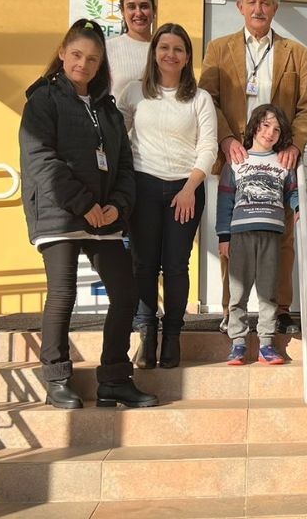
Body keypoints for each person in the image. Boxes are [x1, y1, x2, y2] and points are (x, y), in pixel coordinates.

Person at [18, 19, 158, 409]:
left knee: (125, 294)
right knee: (62, 295)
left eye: (93, 59)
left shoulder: (107, 109)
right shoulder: (43, 100)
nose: (83, 64)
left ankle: (114, 379)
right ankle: (57, 378)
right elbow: (41, 160)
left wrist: (117, 205)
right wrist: (84, 205)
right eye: (77, 55)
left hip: (104, 217)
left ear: (101, 65)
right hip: (61, 214)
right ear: (63, 53)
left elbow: (125, 166)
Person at [199, 0, 307, 336]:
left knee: (283, 237)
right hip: (237, 156)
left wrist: (294, 145)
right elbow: (207, 100)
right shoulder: (219, 49)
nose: (258, 9)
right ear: (240, 6)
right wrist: (224, 139)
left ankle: (279, 309)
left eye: (265, 3)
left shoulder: (297, 53)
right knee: (233, 235)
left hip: (279, 160)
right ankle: (229, 310)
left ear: (275, 8)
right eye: (251, 2)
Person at [117, 23, 218, 369]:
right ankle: (147, 335)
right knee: (143, 264)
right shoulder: (134, 92)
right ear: (154, 52)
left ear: (187, 56)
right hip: (143, 186)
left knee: (175, 265)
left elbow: (208, 146)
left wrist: (190, 188)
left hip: (185, 189)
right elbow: (117, 138)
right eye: (164, 47)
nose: (170, 54)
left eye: (178, 49)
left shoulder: (200, 98)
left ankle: (173, 335)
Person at [216, 104, 300, 366]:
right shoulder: (236, 161)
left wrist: (300, 207)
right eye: (265, 125)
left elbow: (293, 192)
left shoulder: (283, 162)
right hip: (240, 235)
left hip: (272, 236)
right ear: (254, 126)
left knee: (268, 291)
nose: (270, 132)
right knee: (237, 292)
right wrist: (224, 236)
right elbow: (225, 201)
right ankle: (238, 343)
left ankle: (266, 343)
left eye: (277, 129)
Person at [107, 0, 156, 101]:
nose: (138, 13)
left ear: (154, 10)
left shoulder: (165, 50)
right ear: (122, 12)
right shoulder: (108, 48)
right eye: (131, 7)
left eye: (144, 6)